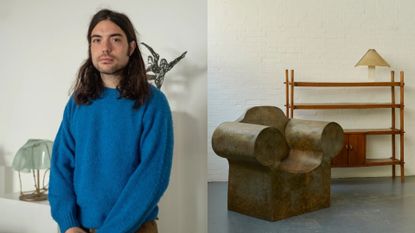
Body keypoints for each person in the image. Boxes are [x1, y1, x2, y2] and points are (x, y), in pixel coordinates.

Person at [48, 9, 174, 233]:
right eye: (97, 40)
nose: (105, 48)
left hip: (134, 228)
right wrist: (68, 224)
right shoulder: (78, 103)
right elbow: (60, 167)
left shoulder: (153, 103)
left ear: (131, 47)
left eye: (115, 39)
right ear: (90, 47)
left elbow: (152, 177)